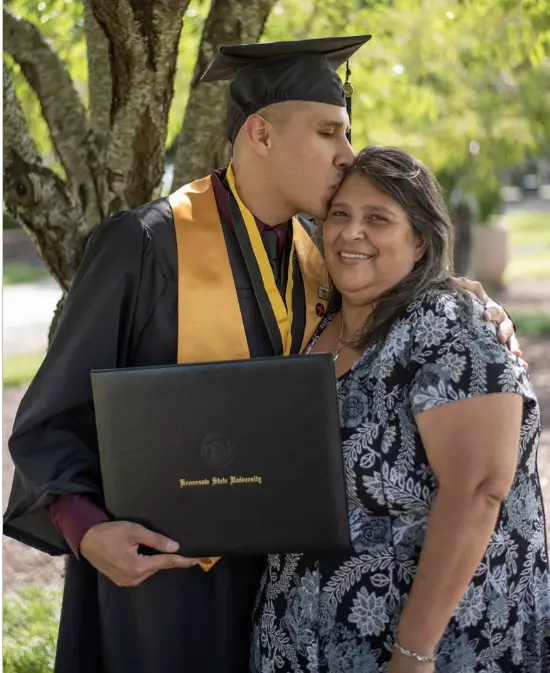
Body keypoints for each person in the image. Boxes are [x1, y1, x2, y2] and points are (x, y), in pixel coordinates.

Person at [4, 35, 516, 673]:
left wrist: (469, 304)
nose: (346, 155)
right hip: (163, 584)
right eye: (329, 132)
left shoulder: (319, 260)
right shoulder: (144, 246)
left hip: (284, 595)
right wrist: (86, 530)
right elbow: (52, 418)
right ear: (261, 136)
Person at [251, 146, 550, 673]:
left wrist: (413, 652)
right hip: (298, 642)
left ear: (420, 243)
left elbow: (479, 489)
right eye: (338, 215)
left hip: (424, 649)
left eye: (378, 219)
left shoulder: (448, 324)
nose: (350, 233)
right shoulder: (316, 328)